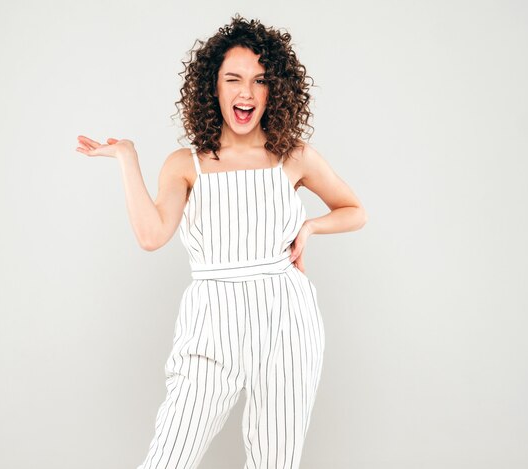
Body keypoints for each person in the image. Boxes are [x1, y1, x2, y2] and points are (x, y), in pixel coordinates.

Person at [75, 13, 367, 469]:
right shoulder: (184, 163)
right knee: (168, 458)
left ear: (276, 90)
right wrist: (127, 158)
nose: (246, 93)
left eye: (259, 80)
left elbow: (355, 211)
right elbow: (152, 236)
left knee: (275, 463)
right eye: (233, 79)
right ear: (214, 87)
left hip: (286, 321)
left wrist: (309, 227)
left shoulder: (293, 156)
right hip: (212, 320)